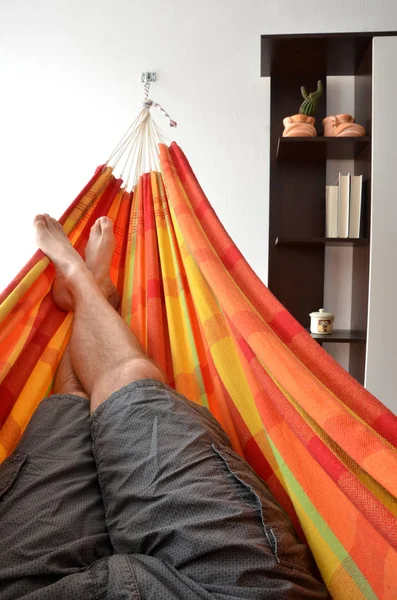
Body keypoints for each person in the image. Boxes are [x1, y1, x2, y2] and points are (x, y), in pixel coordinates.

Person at [0, 214, 330, 599]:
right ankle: (82, 281)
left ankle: (84, 283)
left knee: (68, 411)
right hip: (232, 590)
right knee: (128, 389)